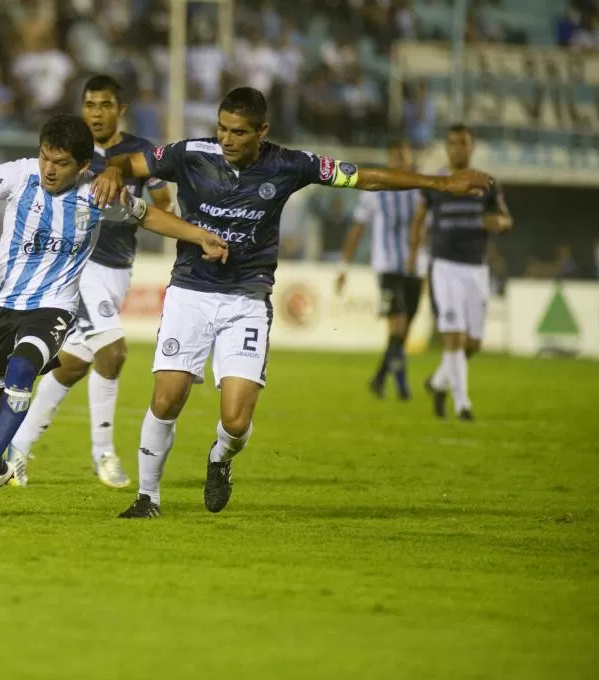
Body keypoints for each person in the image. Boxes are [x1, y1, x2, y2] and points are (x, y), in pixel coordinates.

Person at [91, 88, 494, 518]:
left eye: (239, 132)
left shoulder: (290, 165)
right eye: (222, 129)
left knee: (236, 421)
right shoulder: (189, 154)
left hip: (246, 299)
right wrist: (114, 170)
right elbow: (127, 161)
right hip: (190, 290)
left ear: (262, 131)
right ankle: (148, 497)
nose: (227, 139)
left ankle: (220, 459)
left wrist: (439, 183)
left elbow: (365, 178)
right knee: (167, 398)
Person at [0, 114, 228, 510]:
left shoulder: (98, 194)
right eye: (45, 159)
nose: (49, 170)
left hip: (53, 306)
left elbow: (150, 216)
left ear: (82, 166)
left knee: (23, 370)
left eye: (60, 164)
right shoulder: (20, 175)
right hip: (0, 306)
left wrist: (201, 237)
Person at [7, 75, 174, 489]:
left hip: (118, 268)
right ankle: (104, 454)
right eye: (89, 105)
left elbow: (163, 203)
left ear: (121, 110)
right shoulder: (72, 153)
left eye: (104, 105)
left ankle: (15, 447)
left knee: (73, 364)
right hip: (80, 265)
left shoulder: (140, 153)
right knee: (113, 352)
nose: (95, 113)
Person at [408, 124, 512, 422]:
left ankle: (439, 383)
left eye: (463, 143)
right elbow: (419, 219)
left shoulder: (488, 183)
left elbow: (506, 219)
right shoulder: (436, 182)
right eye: (452, 143)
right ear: (447, 147)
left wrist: (502, 225)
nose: (458, 148)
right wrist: (414, 254)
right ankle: (463, 404)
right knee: (453, 337)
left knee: (474, 343)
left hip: (477, 269)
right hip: (444, 266)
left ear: (472, 147)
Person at [336, 139, 426, 401]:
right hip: (387, 267)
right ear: (389, 158)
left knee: (404, 332)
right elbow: (357, 229)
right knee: (397, 328)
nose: (400, 159)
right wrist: (344, 266)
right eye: (395, 155)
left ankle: (378, 379)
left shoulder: (421, 189)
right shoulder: (375, 190)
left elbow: (425, 229)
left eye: (404, 154)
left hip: (416, 268)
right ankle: (401, 386)